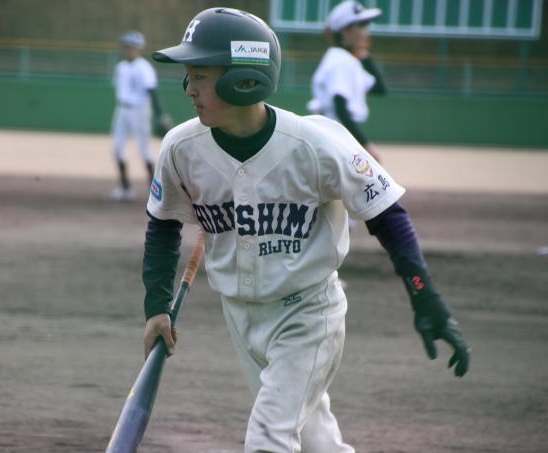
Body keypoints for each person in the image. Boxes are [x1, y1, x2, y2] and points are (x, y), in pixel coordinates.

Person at [142, 8, 470, 453]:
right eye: (189, 76)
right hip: (239, 315)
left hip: (308, 315)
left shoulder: (314, 145)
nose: (188, 89)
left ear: (244, 80)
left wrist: (424, 295)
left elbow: (386, 214)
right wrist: (156, 307)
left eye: (200, 76)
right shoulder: (181, 148)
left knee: (268, 438)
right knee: (317, 443)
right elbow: (163, 225)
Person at [307, 0, 386, 163]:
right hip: (334, 136)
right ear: (344, 31)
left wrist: (365, 58)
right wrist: (365, 145)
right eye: (361, 26)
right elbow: (340, 108)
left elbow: (380, 88)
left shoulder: (346, 60)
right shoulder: (340, 61)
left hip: (333, 135)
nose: (366, 32)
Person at [107, 30, 172, 201]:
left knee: (144, 150)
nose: (130, 49)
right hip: (122, 109)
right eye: (127, 46)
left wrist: (161, 114)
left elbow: (152, 91)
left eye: (133, 46)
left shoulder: (144, 67)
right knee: (116, 148)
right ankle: (125, 189)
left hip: (140, 109)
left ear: (139, 48)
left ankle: (155, 193)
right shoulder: (120, 67)